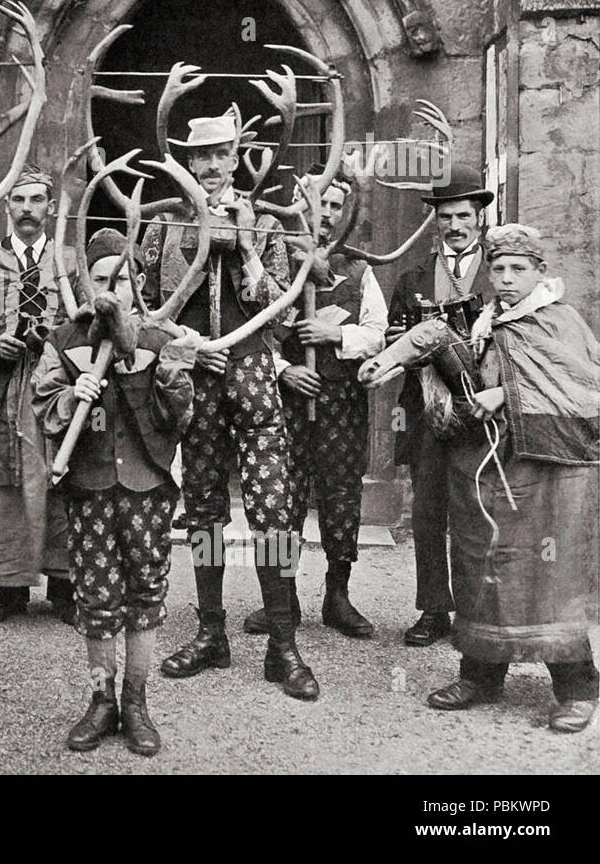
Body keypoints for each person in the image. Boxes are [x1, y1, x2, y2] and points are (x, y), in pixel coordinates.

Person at [144, 112, 318, 701]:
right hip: (200, 387)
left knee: (271, 512)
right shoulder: (166, 227)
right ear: (190, 162)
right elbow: (148, 313)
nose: (212, 165)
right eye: (203, 156)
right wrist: (188, 351)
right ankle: (211, 631)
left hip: (252, 380)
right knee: (205, 512)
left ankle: (283, 644)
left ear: (237, 155)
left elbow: (282, 310)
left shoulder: (268, 223)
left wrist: (245, 248)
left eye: (222, 154)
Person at [425, 224, 598, 733]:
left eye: (518, 269)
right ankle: (480, 673)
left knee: (548, 572)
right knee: (483, 561)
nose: (505, 278)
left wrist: (505, 395)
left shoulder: (559, 321)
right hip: (487, 464)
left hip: (546, 470)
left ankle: (576, 686)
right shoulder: (484, 322)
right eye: (498, 268)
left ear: (540, 272)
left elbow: (585, 387)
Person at [32, 230, 199, 756]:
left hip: (146, 488)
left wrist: (175, 379)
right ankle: (101, 700)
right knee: (97, 596)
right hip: (89, 487)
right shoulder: (64, 341)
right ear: (85, 286)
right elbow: (43, 400)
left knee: (146, 593)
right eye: (100, 279)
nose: (111, 290)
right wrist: (68, 396)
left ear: (137, 285)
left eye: (120, 279)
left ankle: (136, 702)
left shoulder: (157, 339)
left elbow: (179, 417)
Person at [247, 176, 385, 638]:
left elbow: (378, 334)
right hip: (285, 403)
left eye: (332, 204)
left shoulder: (359, 271)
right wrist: (284, 367)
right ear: (295, 206)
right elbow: (251, 332)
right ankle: (280, 599)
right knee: (279, 500)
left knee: (341, 496)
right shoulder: (272, 264)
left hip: (341, 404)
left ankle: (337, 596)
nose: (323, 212)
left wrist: (336, 335)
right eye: (313, 202)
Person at [0, 167, 76, 624]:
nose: (27, 209)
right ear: (7, 207)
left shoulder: (68, 264)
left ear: (49, 206)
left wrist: (60, 343)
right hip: (0, 394)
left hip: (53, 391)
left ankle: (66, 590)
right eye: (19, 201)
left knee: (61, 482)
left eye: (36, 200)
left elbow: (84, 321)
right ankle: (6, 590)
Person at [385, 163, 495, 646]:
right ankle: (433, 610)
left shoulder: (500, 273)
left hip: (482, 407)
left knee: (478, 512)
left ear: (479, 219)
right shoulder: (411, 277)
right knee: (428, 511)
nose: (455, 226)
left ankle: (479, 610)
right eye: (446, 217)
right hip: (427, 409)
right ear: (435, 221)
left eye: (464, 216)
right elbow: (392, 344)